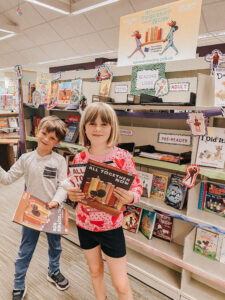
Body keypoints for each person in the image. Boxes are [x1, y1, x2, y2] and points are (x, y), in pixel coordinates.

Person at [68, 102, 143, 300]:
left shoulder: (123, 157)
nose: (98, 128)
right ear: (84, 127)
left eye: (104, 124)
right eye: (92, 123)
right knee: (94, 272)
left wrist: (131, 197)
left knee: (120, 283)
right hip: (85, 225)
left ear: (112, 127)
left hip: (111, 228)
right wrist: (71, 195)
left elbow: (137, 186)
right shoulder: (79, 158)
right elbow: (72, 185)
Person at [0, 116, 69, 300]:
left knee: (56, 245)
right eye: (44, 133)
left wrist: (56, 201)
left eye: (52, 138)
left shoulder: (60, 161)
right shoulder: (26, 158)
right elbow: (7, 179)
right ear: (37, 131)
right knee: (26, 249)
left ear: (58, 142)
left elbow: (63, 185)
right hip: (32, 211)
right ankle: (19, 282)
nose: (46, 139)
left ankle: (53, 271)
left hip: (54, 210)